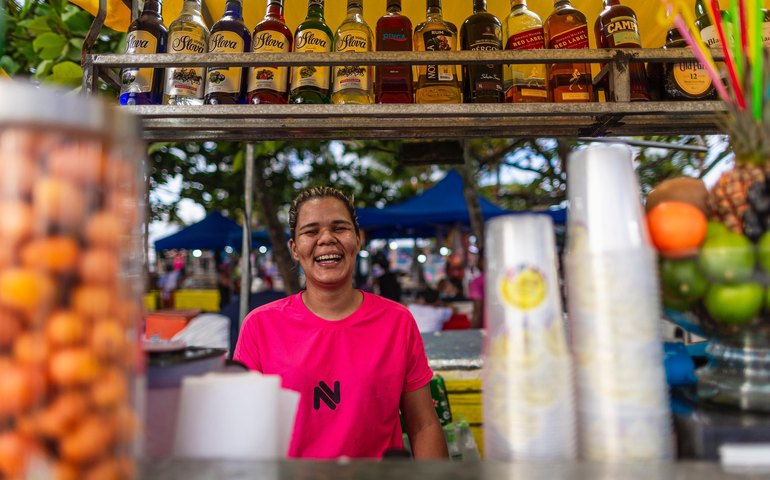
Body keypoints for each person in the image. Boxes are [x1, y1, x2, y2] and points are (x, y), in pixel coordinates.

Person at [233, 186, 448, 460]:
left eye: (339, 228)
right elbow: (243, 432)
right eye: (311, 231)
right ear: (294, 249)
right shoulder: (260, 326)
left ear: (357, 240)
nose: (326, 239)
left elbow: (424, 426)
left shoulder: (397, 321)